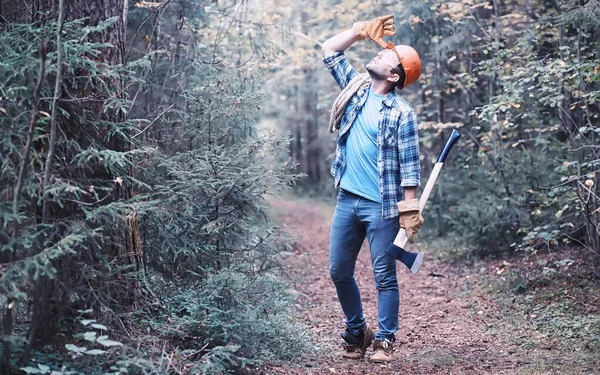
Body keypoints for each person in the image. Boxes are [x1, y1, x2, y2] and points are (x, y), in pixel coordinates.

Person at [321, 15, 424, 363]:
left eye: (387, 57)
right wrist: (359, 31)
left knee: (384, 277)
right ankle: (356, 331)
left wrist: (409, 213)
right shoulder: (355, 89)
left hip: (382, 207)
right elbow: (329, 50)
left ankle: (384, 340)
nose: (379, 54)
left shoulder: (402, 113)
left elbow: (410, 167)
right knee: (338, 271)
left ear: (394, 76)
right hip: (347, 200)